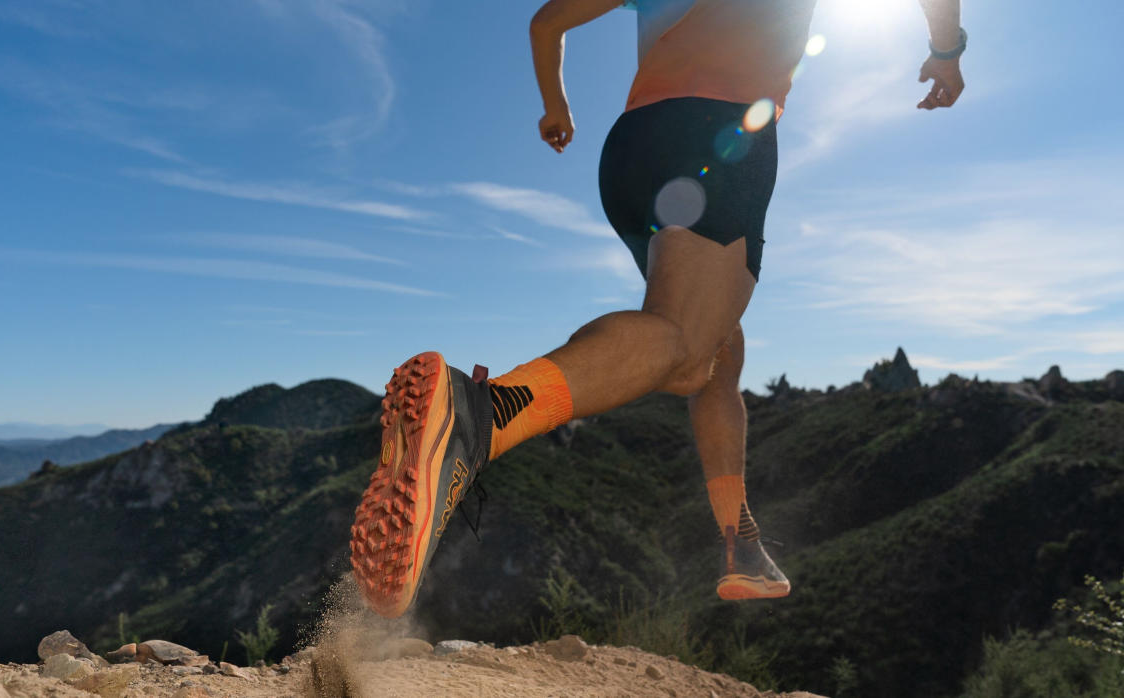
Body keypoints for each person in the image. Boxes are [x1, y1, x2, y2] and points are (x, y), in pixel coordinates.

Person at [350, 0, 966, 619]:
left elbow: (546, 23)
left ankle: (740, 540)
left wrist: (557, 107)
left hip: (633, 151)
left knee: (719, 346)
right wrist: (946, 52)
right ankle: (479, 417)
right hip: (723, 130)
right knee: (685, 349)